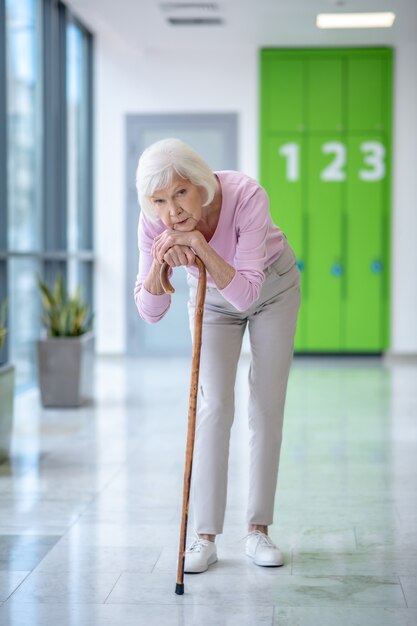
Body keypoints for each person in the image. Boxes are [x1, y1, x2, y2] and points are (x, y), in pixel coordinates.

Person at [134, 138, 300, 573]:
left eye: (180, 193)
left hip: (272, 290)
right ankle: (203, 538)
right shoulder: (153, 222)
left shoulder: (246, 195)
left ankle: (258, 530)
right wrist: (159, 264)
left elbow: (246, 294)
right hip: (211, 298)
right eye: (159, 201)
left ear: (201, 183)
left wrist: (198, 246)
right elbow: (149, 312)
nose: (172, 210)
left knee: (265, 407)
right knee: (213, 407)